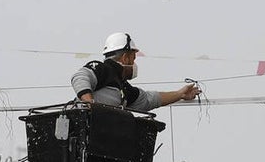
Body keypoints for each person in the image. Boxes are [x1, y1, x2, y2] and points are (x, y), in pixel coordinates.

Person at [72, 32, 201, 111]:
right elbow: (80, 77)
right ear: (125, 57)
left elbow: (149, 100)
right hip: (83, 131)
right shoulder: (103, 69)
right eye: (133, 58)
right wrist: (89, 104)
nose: (134, 63)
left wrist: (180, 94)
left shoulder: (124, 88)